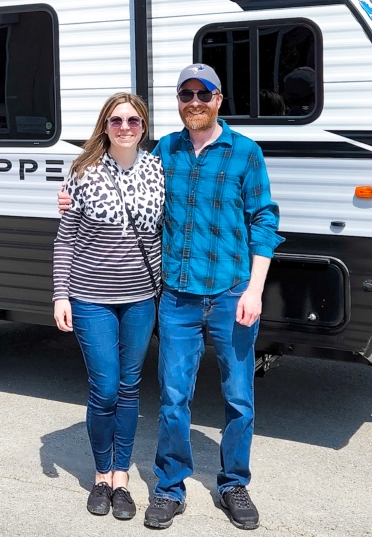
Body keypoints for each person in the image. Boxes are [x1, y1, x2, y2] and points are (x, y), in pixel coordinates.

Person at [58, 65, 283, 531]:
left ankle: (233, 483)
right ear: (178, 101)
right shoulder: (165, 153)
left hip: (231, 293)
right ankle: (169, 488)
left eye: (205, 92)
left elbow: (264, 221)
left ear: (220, 99)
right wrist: (67, 197)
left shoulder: (245, 153)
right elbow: (118, 189)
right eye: (187, 93)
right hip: (177, 298)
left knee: (239, 397)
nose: (195, 100)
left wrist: (255, 289)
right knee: (173, 398)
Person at [53, 92, 165, 521]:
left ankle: (122, 478)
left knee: (130, 387)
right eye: (116, 120)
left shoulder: (157, 169)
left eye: (133, 121)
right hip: (91, 298)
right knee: (105, 388)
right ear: (104, 125)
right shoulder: (83, 171)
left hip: (141, 298)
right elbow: (65, 238)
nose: (124, 127)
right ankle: (101, 475)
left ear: (143, 127)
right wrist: (60, 294)